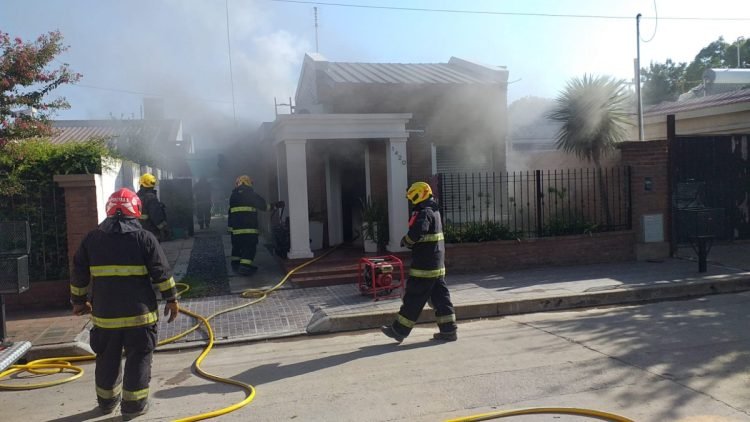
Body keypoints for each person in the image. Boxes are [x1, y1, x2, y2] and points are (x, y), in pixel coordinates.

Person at [70, 188, 180, 420]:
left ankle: (107, 403)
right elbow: (161, 272)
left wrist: (79, 302)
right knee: (139, 357)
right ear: (135, 210)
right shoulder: (145, 238)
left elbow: (79, 272)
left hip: (105, 317)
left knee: (106, 359)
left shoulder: (92, 239)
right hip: (140, 317)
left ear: (109, 210)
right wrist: (171, 299)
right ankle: (133, 407)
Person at [381, 181, 457, 343]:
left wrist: (406, 241)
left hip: (425, 266)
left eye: (412, 197)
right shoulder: (435, 211)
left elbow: (417, 232)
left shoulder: (424, 212)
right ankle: (449, 331)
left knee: (413, 298)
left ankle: (399, 331)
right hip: (437, 265)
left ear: (419, 195)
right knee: (441, 300)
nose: (412, 201)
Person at [228, 175, 283, 275]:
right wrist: (275, 205)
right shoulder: (251, 194)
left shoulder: (233, 196)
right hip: (249, 228)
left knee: (237, 246)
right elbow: (264, 206)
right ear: (249, 183)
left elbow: (230, 212)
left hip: (236, 229)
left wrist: (231, 229)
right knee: (249, 247)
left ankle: (236, 264)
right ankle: (244, 266)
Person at [136, 173, 168, 241]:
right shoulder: (151, 198)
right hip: (151, 232)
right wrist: (164, 229)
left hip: (138, 232)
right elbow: (156, 216)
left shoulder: (135, 196)